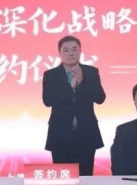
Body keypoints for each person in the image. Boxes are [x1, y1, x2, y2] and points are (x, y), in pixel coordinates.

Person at [42, 35, 106, 176]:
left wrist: (82, 82)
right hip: (60, 134)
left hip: (86, 134)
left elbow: (100, 98)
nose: (70, 53)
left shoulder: (91, 72)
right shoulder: (51, 75)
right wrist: (71, 88)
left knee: (85, 177)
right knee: (62, 178)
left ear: (80, 51)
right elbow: (47, 101)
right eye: (66, 50)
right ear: (60, 53)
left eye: (74, 49)